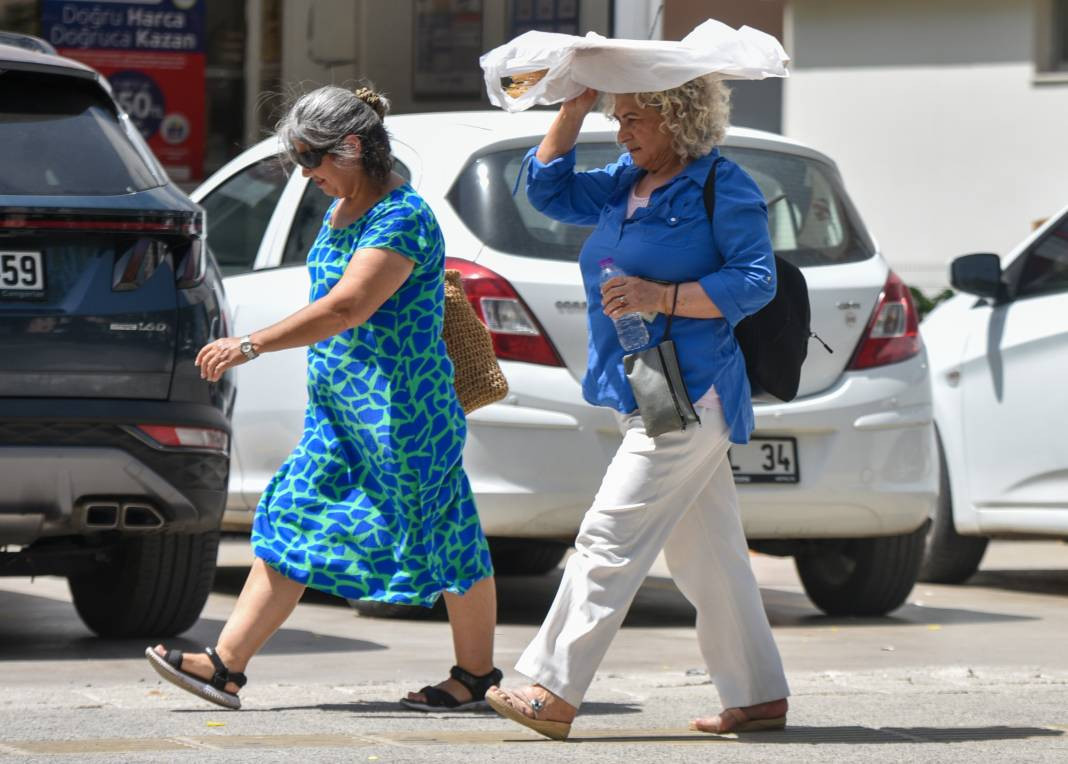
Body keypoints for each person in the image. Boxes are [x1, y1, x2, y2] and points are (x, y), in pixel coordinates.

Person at [146, 85, 501, 713]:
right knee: (290, 519)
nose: (306, 176)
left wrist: (250, 344)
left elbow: (348, 305)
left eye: (312, 160)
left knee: (449, 536)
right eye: (300, 162)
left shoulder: (403, 216)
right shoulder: (343, 209)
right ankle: (226, 666)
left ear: (353, 147)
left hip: (403, 415)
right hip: (339, 415)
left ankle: (475, 676)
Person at [485, 77, 790, 739]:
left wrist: (662, 297)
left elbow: (756, 279)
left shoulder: (721, 184)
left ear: (677, 119)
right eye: (615, 118)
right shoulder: (627, 178)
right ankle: (760, 694)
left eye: (632, 120)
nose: (619, 133)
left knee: (608, 535)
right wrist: (571, 107)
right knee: (711, 556)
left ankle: (551, 686)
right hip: (644, 383)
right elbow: (547, 189)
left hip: (693, 386)